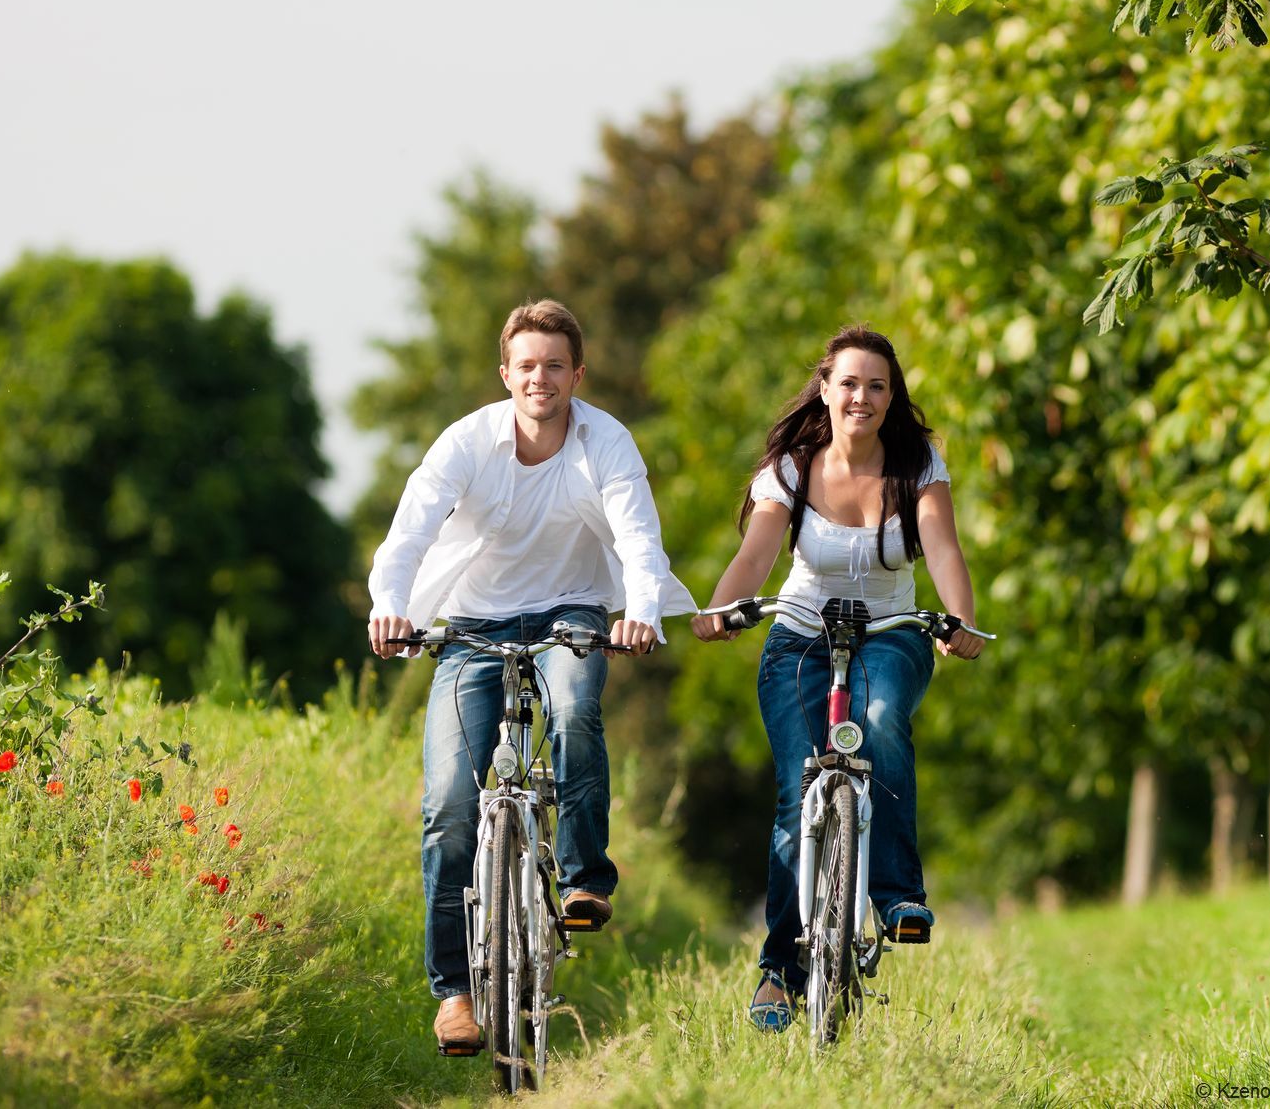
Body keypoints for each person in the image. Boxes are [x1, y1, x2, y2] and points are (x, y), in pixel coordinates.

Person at [368, 299, 695, 1056]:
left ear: (576, 373)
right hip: (472, 625)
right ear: (505, 374)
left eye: (555, 364)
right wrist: (389, 608)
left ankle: (584, 881)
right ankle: (453, 992)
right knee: (449, 800)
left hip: (571, 615)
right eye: (526, 365)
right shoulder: (467, 442)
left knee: (577, 704)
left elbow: (638, 536)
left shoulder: (605, 441)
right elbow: (409, 532)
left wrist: (640, 612)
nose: (539, 378)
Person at [690, 325, 986, 1033]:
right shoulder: (792, 467)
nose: (862, 396)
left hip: (889, 635)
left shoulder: (918, 462)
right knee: (800, 787)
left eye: (877, 384)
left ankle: (895, 896)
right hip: (799, 637)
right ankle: (778, 972)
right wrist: (721, 608)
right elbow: (759, 550)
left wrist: (960, 619)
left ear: (892, 396)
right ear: (825, 389)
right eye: (849, 382)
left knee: (881, 722)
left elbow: (942, 547)